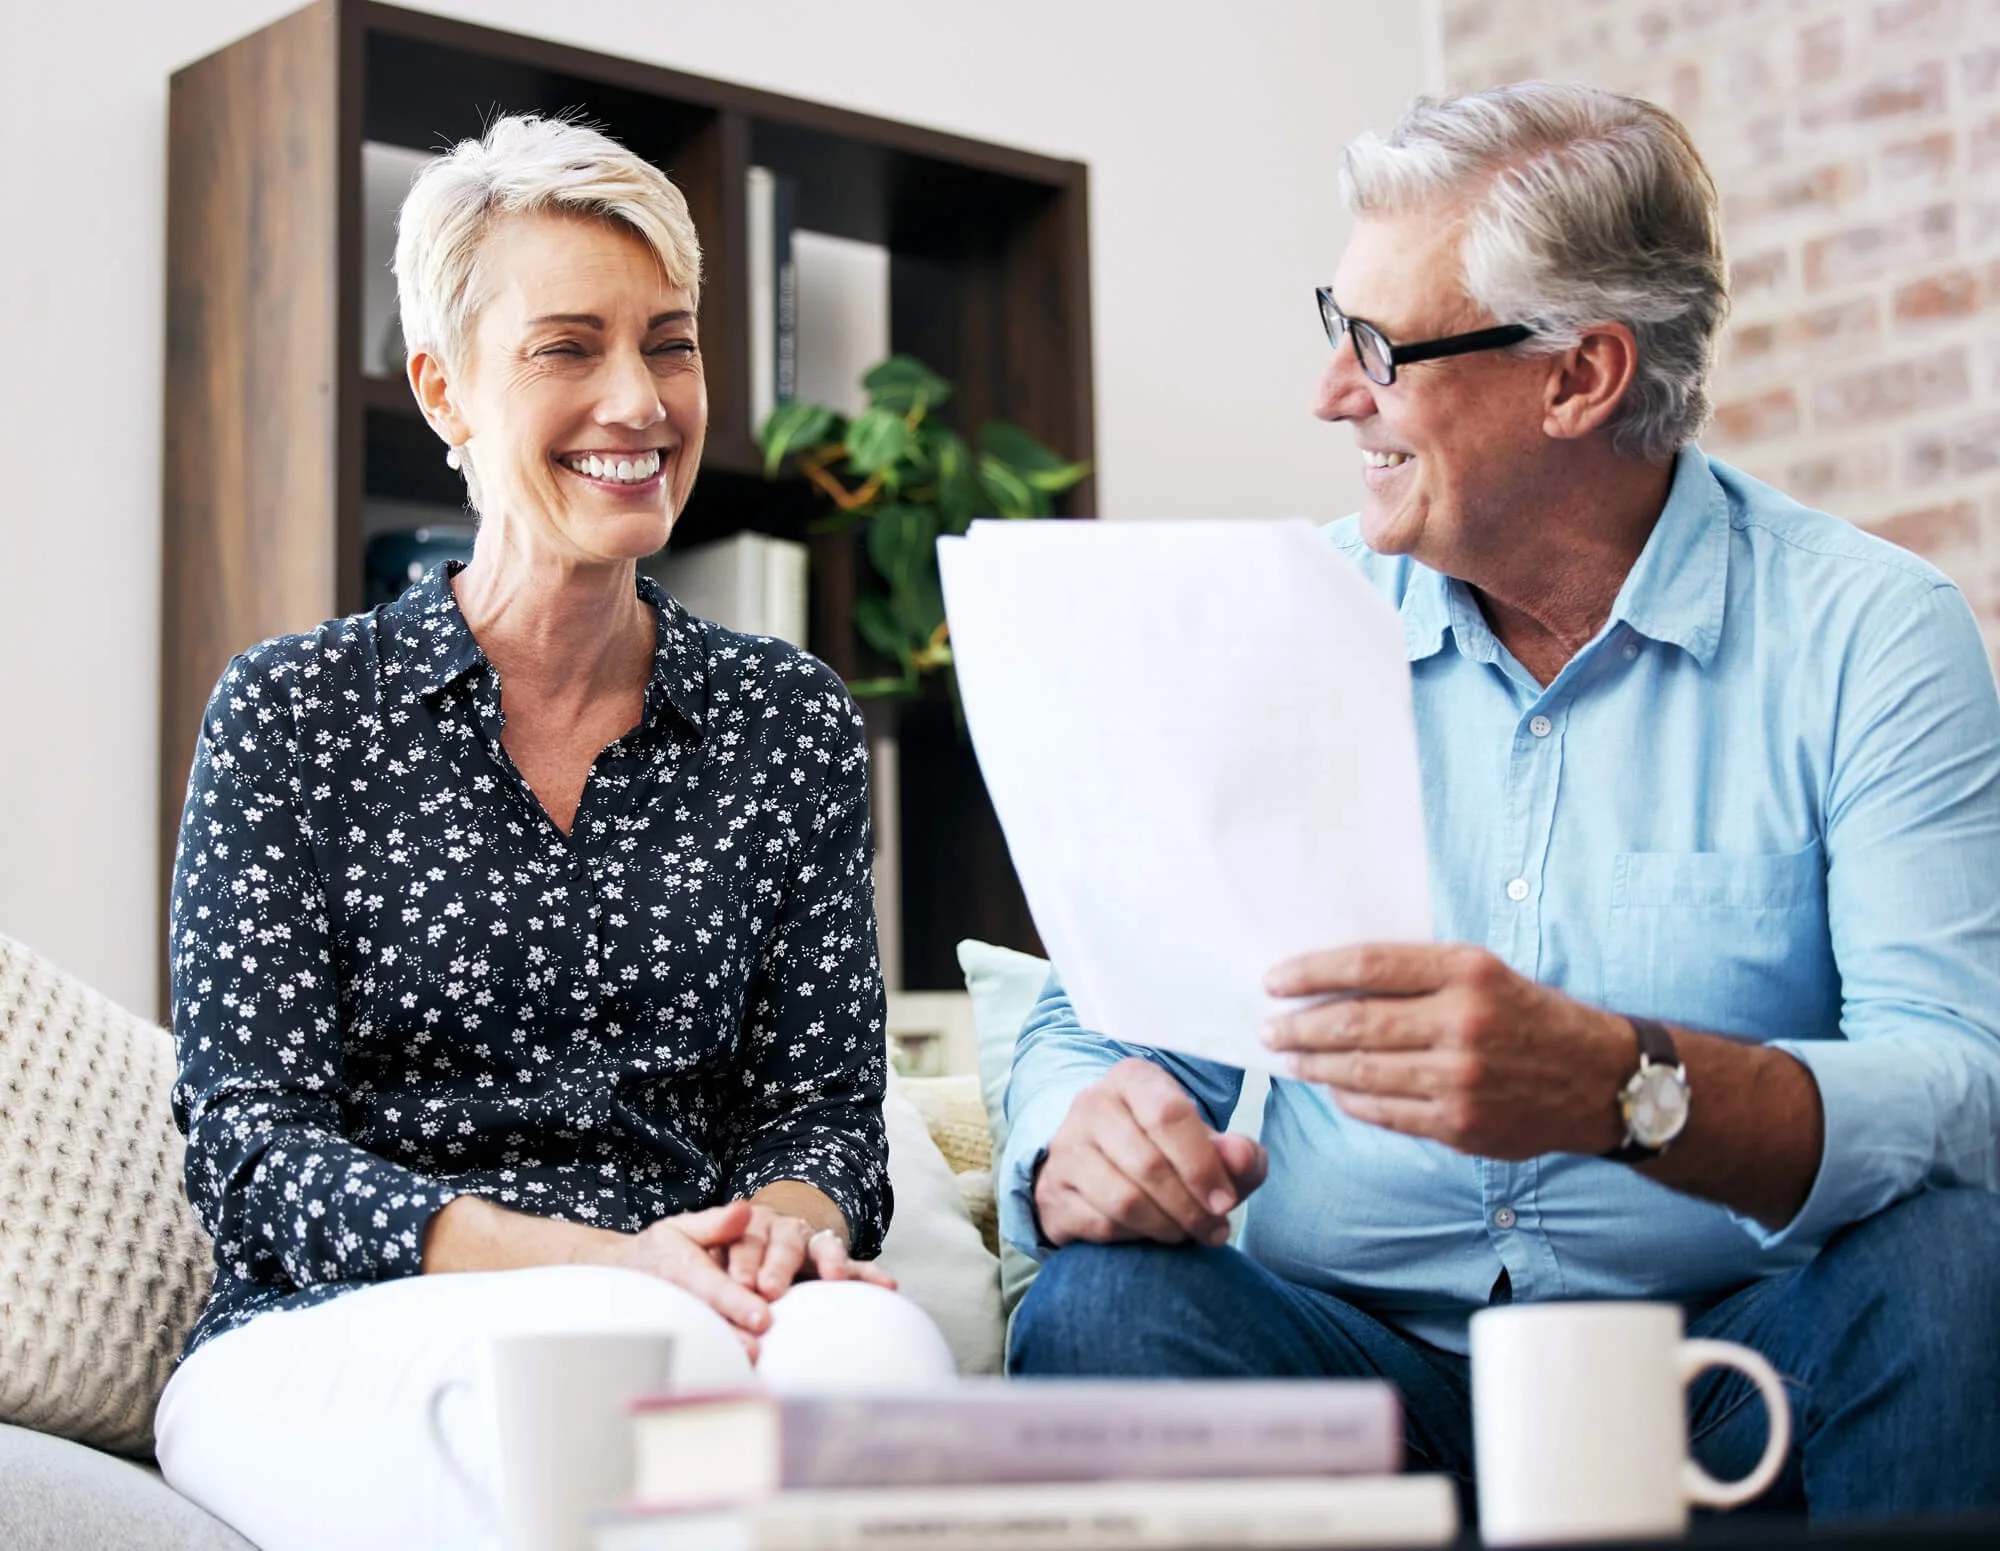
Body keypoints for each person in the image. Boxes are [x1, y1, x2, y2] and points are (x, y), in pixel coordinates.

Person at [999, 81, 2000, 1522]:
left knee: (1959, 1263)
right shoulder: (1283, 618)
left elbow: (1959, 1086)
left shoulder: (1869, 635)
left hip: (1724, 1369)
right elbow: (1099, 1013)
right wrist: (1081, 1128)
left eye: (1379, 347)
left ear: (1580, 377)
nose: (1331, 393)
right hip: (1349, 1363)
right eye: (1333, 328)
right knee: (1099, 1308)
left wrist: (1623, 1085)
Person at [157, 115, 951, 1551]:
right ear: (445, 390)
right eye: (567, 347)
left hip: (696, 1300)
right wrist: (616, 1265)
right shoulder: (292, 712)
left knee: (882, 1366)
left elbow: (825, 1113)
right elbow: (253, 1151)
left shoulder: (788, 720)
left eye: (670, 342)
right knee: (600, 1411)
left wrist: (777, 1219)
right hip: (352, 1322)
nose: (639, 400)